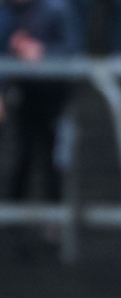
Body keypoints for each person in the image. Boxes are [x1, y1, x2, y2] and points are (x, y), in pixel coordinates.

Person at [0, 0, 80, 202]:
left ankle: (54, 220)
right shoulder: (10, 11)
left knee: (52, 161)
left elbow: (72, 52)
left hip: (53, 99)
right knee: (21, 157)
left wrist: (42, 52)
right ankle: (14, 219)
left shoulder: (57, 9)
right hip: (23, 94)